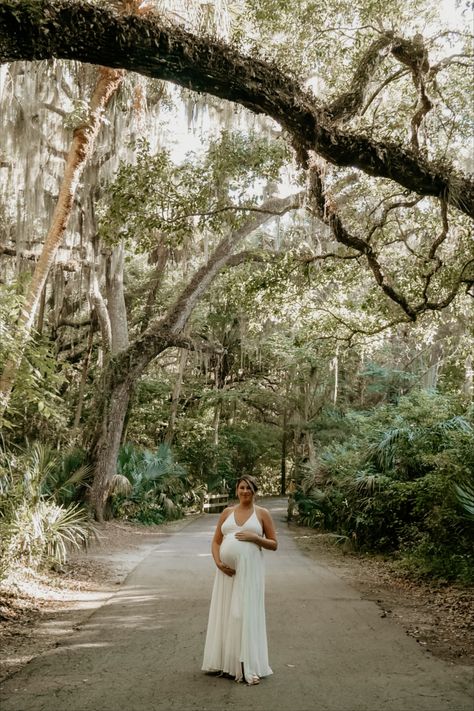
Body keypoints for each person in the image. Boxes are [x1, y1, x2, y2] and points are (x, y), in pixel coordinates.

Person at [201, 475, 278, 686]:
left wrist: (255, 538)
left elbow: (273, 544)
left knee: (243, 615)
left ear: (255, 491)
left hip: (250, 573)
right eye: (242, 487)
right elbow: (216, 541)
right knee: (227, 614)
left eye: (250, 488)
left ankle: (247, 664)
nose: (245, 491)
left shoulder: (262, 514)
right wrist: (218, 562)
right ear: (237, 490)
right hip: (226, 573)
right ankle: (228, 662)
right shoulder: (227, 512)